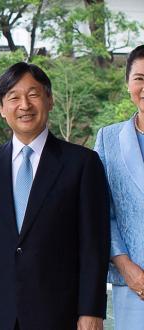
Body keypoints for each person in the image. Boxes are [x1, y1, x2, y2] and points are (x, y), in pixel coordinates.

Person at [0, 62, 110, 330]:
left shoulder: (82, 163)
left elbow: (93, 245)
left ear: (49, 100)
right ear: (2, 109)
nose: (24, 105)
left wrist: (91, 310)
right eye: (13, 97)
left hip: (60, 311)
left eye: (33, 94)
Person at [94, 45, 144, 330]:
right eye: (139, 78)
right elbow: (102, 211)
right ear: (128, 84)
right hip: (135, 282)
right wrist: (126, 267)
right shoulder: (108, 139)